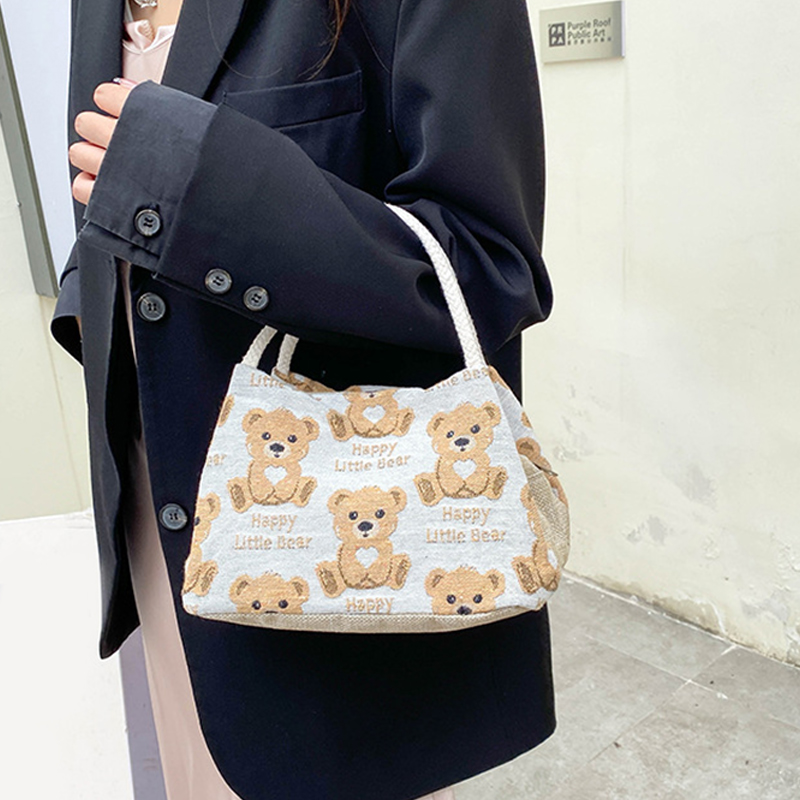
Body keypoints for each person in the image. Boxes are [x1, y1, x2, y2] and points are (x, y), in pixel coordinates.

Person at [53, 1, 558, 799]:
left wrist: (212, 187)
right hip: (160, 512)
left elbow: (490, 266)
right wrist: (83, 294)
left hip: (321, 544)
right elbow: (106, 177)